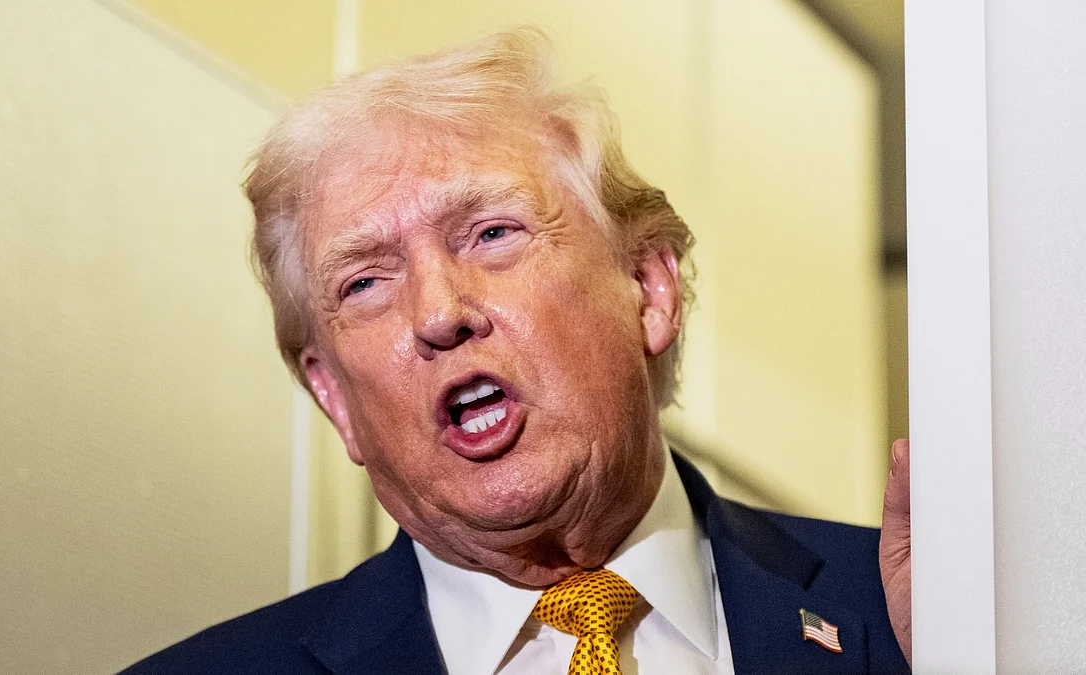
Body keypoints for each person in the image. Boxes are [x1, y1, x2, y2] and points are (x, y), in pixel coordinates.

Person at [121, 27, 912, 675]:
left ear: (648, 287)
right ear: (332, 395)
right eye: (365, 282)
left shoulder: (921, 616)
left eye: (493, 233)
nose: (439, 313)